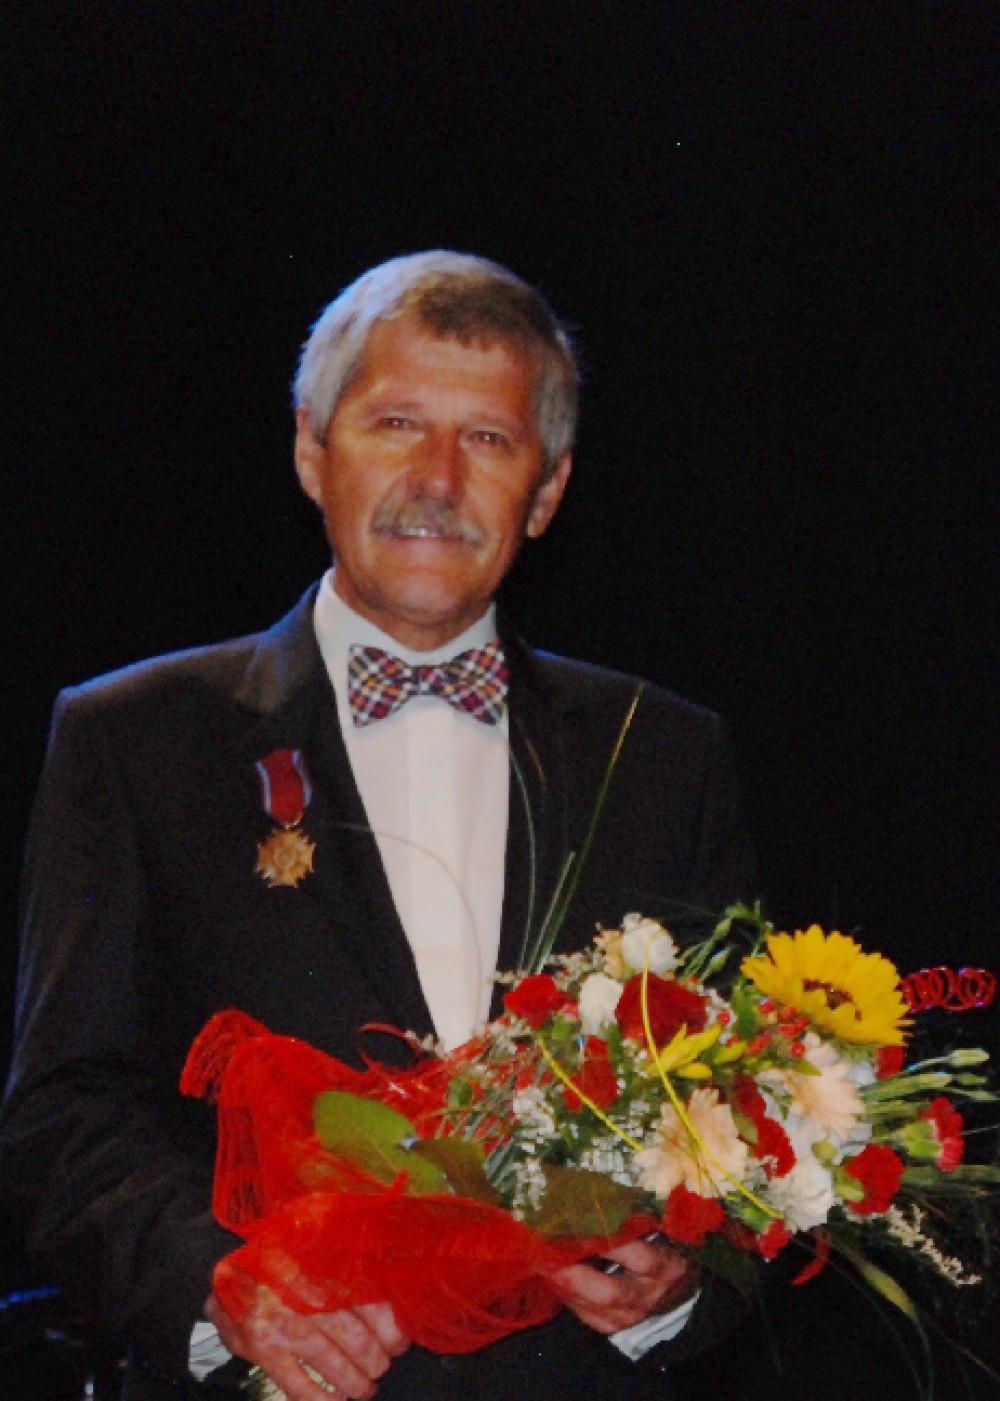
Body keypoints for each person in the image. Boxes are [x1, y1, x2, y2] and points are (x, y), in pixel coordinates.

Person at [1, 252, 755, 1401]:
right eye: (396, 423)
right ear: (313, 451)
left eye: (488, 439)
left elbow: (746, 1112)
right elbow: (61, 1109)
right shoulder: (132, 741)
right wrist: (217, 1284)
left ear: (546, 491)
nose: (437, 479)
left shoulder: (662, 755)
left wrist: (685, 1285)